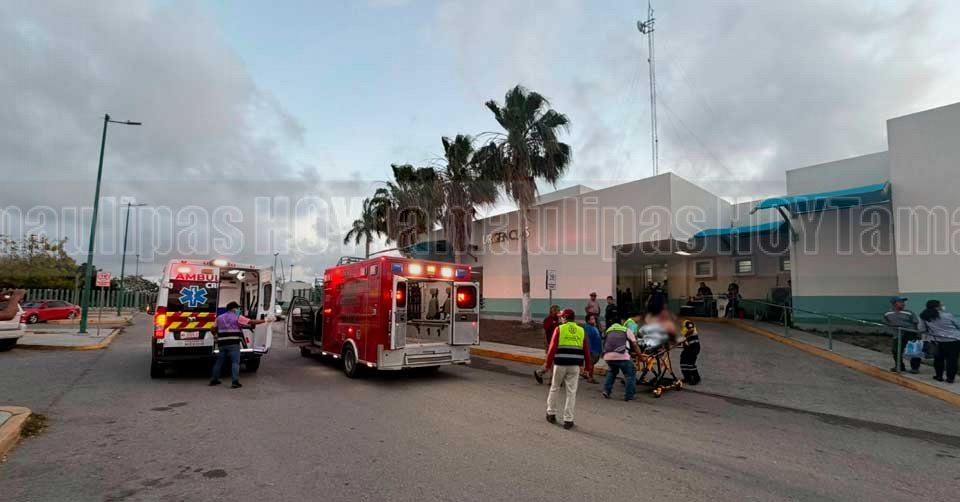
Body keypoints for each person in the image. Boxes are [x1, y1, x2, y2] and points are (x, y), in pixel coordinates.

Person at [544, 308, 593, 429]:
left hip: (560, 364)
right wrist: (588, 367)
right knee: (571, 393)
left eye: (561, 316)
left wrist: (548, 364)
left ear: (565, 317)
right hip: (574, 366)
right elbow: (587, 350)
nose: (560, 318)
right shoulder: (581, 330)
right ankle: (568, 420)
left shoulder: (559, 329)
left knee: (555, 388)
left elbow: (552, 348)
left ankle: (551, 413)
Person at [210, 301, 267, 388]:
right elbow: (251, 322)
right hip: (234, 343)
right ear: (234, 308)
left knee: (219, 362)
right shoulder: (237, 317)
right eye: (238, 308)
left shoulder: (219, 318)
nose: (238, 310)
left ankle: (214, 380)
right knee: (235, 362)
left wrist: (215, 336)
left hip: (222, 343)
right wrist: (265, 320)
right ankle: (235, 382)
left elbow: (212, 328)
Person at [917, 300, 960, 383]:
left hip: (937, 341)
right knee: (952, 360)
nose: (942, 307)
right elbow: (958, 325)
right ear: (937, 307)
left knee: (938, 359)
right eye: (941, 305)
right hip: (953, 340)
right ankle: (950, 378)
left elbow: (921, 329)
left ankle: (939, 376)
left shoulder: (924, 316)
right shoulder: (947, 315)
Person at [601, 313, 642, 401]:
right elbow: (635, 345)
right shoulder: (626, 330)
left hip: (608, 356)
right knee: (630, 374)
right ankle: (629, 396)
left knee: (612, 372)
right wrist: (640, 355)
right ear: (621, 322)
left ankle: (606, 391)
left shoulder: (608, 330)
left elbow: (604, 343)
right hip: (622, 356)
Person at [883, 296, 921, 373]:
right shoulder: (887, 314)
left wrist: (917, 333)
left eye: (903, 302)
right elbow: (887, 323)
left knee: (913, 351)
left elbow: (915, 323)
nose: (903, 304)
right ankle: (899, 366)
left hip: (910, 333)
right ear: (894, 304)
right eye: (900, 302)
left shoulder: (909, 313)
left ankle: (915, 368)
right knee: (896, 350)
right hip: (897, 334)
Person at [534, 305, 562, 384]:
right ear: (552, 311)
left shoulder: (559, 320)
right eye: (557, 310)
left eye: (559, 310)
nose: (558, 312)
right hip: (550, 343)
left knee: (553, 362)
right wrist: (546, 343)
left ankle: (539, 373)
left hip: (558, 343)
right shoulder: (548, 320)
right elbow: (544, 332)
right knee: (552, 362)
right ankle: (551, 379)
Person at [679, 319, 701, 385]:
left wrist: (685, 336)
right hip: (688, 348)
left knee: (690, 363)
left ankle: (696, 378)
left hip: (694, 347)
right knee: (683, 361)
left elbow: (691, 330)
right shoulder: (683, 327)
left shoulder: (688, 323)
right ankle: (687, 377)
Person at [583, 314, 602, 384]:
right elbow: (588, 340)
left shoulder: (594, 327)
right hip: (592, 350)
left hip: (596, 349)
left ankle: (586, 373)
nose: (594, 320)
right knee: (591, 364)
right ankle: (590, 377)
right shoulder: (588, 328)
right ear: (588, 321)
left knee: (591, 363)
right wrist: (589, 350)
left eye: (594, 319)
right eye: (592, 319)